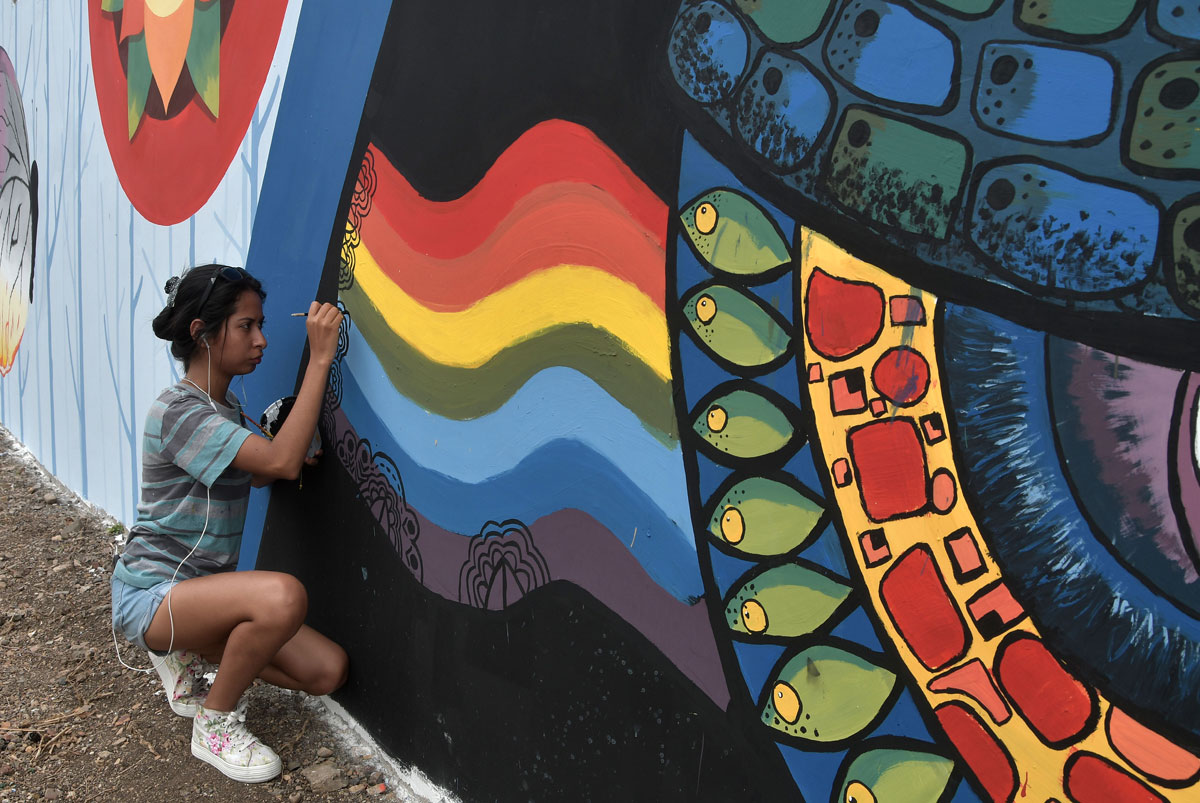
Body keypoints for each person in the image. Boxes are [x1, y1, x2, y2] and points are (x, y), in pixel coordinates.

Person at [109, 264, 348, 783]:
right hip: (152, 592)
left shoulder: (227, 410)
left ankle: (185, 653)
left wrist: (284, 443)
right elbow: (279, 464)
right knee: (283, 597)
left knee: (327, 670)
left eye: (260, 325)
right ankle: (214, 724)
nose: (261, 340)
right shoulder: (180, 412)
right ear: (202, 332)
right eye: (246, 326)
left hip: (202, 593)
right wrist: (321, 356)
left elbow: (266, 472)